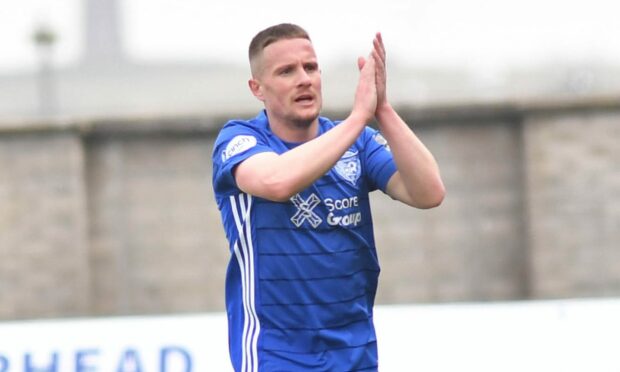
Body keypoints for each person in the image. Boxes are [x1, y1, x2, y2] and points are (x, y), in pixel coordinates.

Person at [212, 23, 445, 371]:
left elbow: (428, 192)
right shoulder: (239, 140)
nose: (304, 78)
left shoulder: (359, 141)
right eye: (286, 71)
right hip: (275, 353)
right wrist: (358, 118)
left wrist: (381, 109)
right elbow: (277, 181)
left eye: (310, 67)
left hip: (355, 350)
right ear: (257, 88)